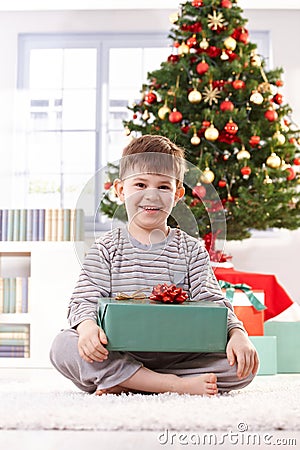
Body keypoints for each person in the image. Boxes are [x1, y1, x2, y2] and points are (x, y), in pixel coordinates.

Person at [50, 134, 259, 396]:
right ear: (120, 190)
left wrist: (238, 334)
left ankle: (128, 381)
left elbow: (213, 302)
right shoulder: (106, 248)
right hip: (118, 350)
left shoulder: (191, 250)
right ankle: (172, 385)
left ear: (178, 193)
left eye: (163, 187)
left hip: (180, 356)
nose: (152, 195)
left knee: (244, 364)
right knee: (63, 345)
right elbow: (83, 300)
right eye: (140, 184)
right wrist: (88, 329)